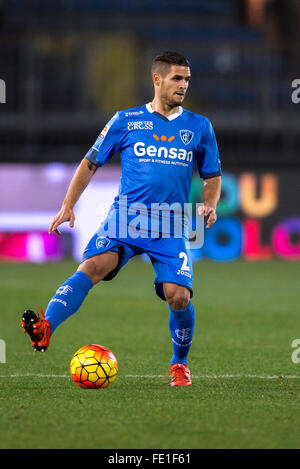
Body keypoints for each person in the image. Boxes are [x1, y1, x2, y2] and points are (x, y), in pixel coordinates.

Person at [21, 51, 222, 386]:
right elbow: (90, 163)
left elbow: (212, 175)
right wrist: (68, 204)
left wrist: (210, 204)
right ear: (157, 79)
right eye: (177, 78)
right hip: (126, 218)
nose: (183, 85)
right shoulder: (125, 121)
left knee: (179, 295)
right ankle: (46, 327)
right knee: (92, 266)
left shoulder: (199, 126)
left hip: (170, 222)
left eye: (187, 79)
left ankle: (179, 364)